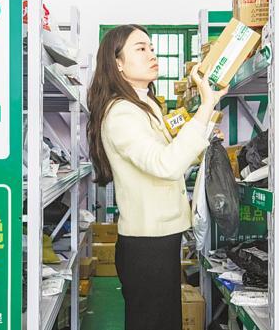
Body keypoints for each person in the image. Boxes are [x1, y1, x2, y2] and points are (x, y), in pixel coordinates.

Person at [87, 24, 228, 330]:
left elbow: (167, 157)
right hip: (146, 244)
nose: (152, 54)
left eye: (151, 47)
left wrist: (203, 133)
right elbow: (165, 165)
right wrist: (206, 105)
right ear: (117, 63)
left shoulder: (144, 104)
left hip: (159, 237)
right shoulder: (122, 113)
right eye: (140, 48)